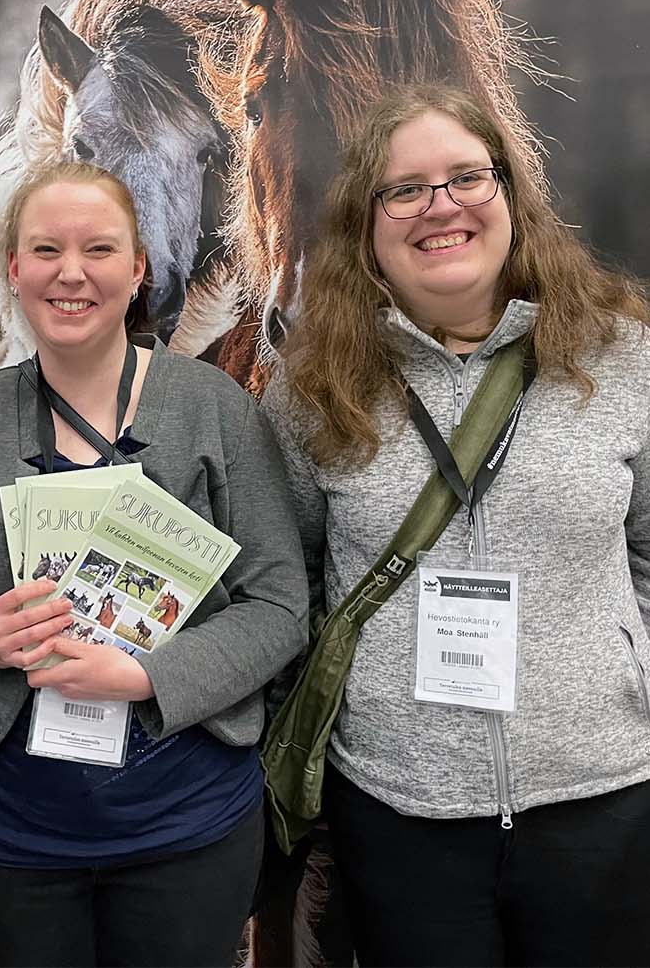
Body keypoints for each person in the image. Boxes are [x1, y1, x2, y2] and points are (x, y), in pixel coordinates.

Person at [262, 83, 650, 966]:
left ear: (510, 192)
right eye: (405, 190)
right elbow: (293, 583)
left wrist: (628, 681)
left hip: (605, 800)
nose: (442, 207)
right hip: (399, 816)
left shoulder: (624, 358)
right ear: (366, 225)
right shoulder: (312, 391)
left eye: (467, 177)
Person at [0, 159, 307, 967]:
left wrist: (146, 677)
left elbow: (279, 606)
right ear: (12, 269)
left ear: (138, 269)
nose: (71, 272)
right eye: (46, 249)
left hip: (187, 826)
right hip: (9, 836)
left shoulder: (215, 408)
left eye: (98, 249)